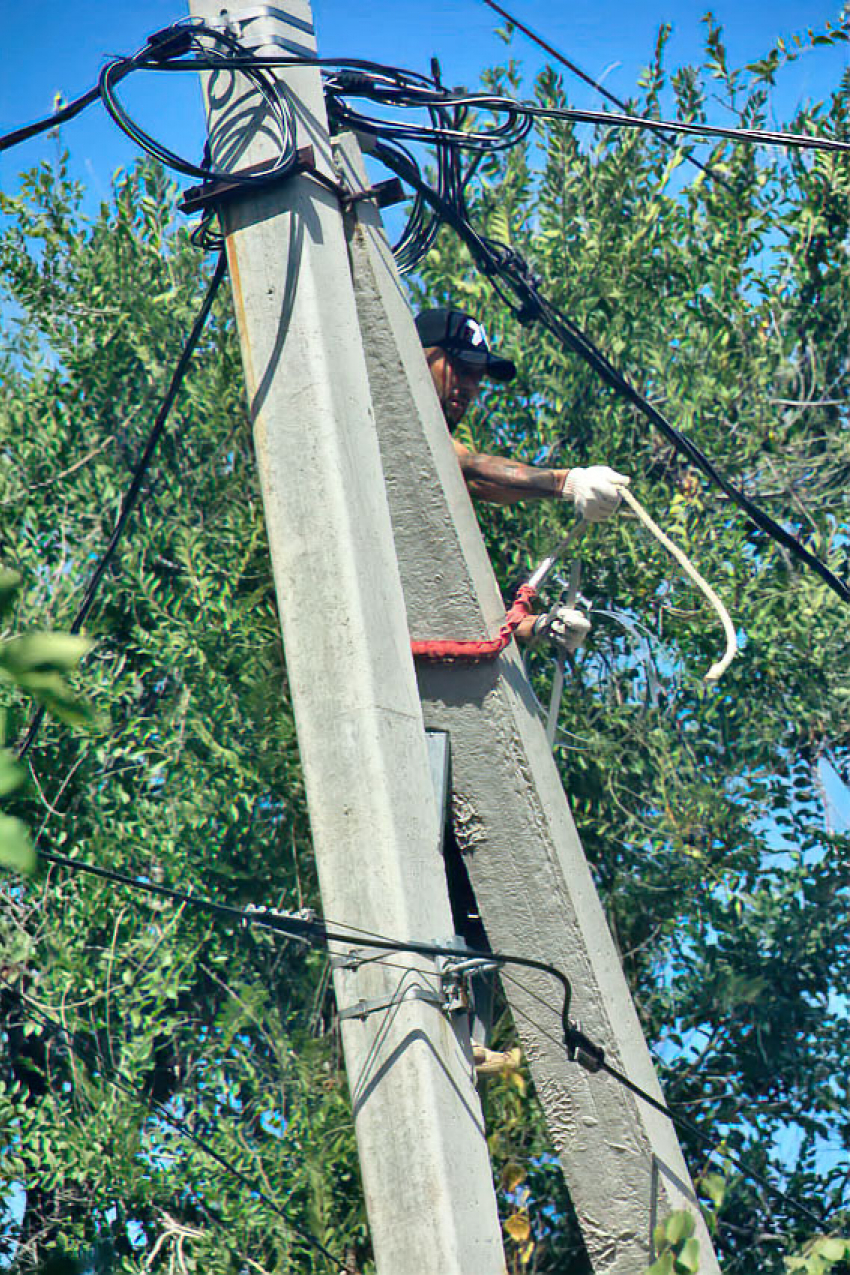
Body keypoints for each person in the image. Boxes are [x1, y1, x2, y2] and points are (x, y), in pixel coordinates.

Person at [415, 306, 630, 651]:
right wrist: (566, 482)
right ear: (419, 357)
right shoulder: (391, 421)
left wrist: (539, 627)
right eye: (460, 369)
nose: (470, 387)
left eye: (477, 376)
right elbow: (471, 472)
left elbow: (450, 613)